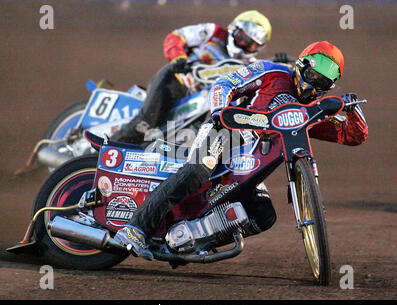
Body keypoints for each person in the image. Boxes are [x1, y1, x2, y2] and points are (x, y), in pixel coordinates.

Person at [114, 41, 368, 260]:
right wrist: (218, 111)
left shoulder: (314, 110)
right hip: (227, 128)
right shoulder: (272, 71)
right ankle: (135, 228)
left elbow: (354, 135)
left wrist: (352, 110)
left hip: (251, 156)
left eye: (323, 84)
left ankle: (190, 239)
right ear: (302, 66)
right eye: (313, 77)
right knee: (197, 171)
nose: (314, 88)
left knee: (263, 215)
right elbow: (226, 83)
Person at [110, 10, 277, 144]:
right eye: (242, 38)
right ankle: (102, 154)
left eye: (251, 44)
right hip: (176, 81)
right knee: (144, 125)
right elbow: (176, 37)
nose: (244, 45)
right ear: (234, 30)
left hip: (202, 99)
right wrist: (178, 57)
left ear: (259, 47)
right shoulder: (213, 32)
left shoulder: (250, 64)